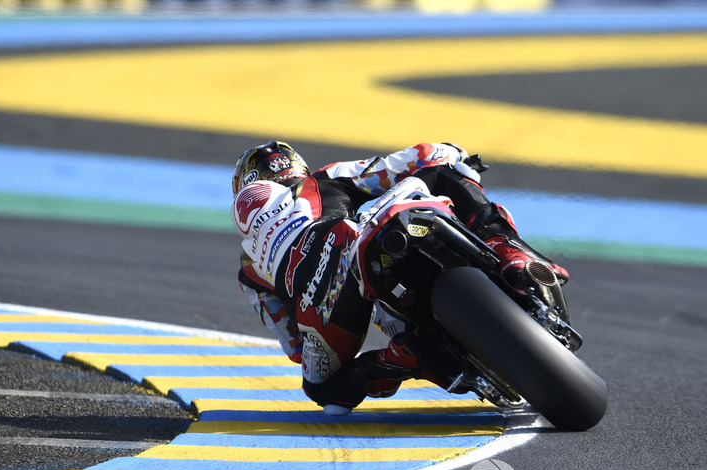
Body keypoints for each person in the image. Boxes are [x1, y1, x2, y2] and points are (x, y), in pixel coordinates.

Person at [231, 141, 568, 414]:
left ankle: (396, 360)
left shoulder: (248, 270)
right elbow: (416, 158)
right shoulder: (323, 179)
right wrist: (454, 153)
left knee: (321, 389)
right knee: (440, 171)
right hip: (356, 241)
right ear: (295, 166)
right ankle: (509, 250)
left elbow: (293, 346)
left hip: (323, 304)